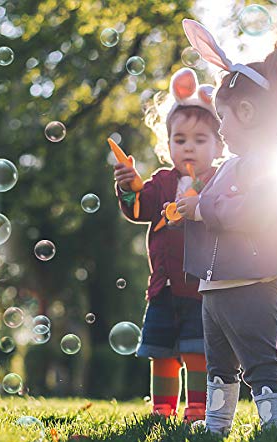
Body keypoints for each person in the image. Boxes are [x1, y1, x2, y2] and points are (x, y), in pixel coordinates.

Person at [177, 19, 277, 434]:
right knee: (218, 366)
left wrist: (202, 211)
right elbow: (212, 205)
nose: (220, 129)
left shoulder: (268, 162)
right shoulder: (232, 164)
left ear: (246, 112)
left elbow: (254, 212)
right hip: (217, 284)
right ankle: (216, 425)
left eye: (223, 118)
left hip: (252, 282)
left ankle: (273, 426)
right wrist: (189, 207)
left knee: (258, 359)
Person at [113, 67, 223, 422]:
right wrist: (129, 188)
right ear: (168, 145)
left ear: (219, 145)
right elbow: (140, 210)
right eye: (180, 139)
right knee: (161, 351)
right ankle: (162, 409)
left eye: (200, 139)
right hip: (163, 287)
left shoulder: (220, 182)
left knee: (196, 351)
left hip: (201, 286)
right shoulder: (161, 181)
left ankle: (197, 408)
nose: (189, 146)